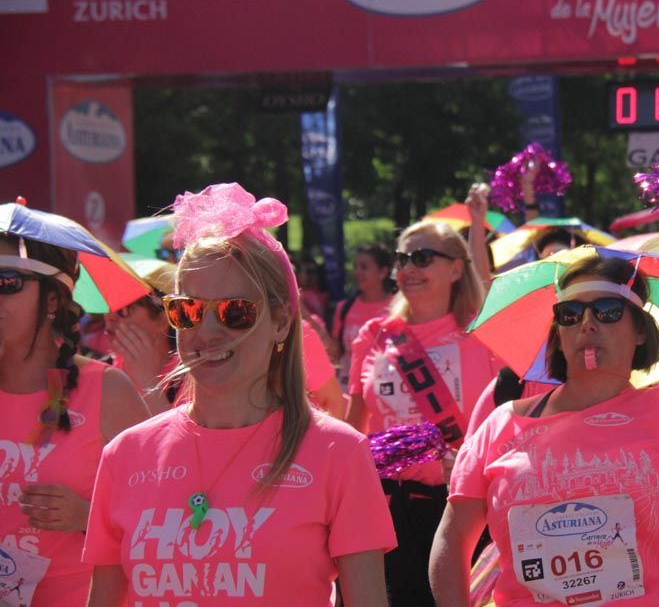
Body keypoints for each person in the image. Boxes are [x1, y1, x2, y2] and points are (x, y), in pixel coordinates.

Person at [429, 218, 659, 607]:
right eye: (570, 313)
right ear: (558, 333)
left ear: (640, 331)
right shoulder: (501, 425)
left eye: (607, 310)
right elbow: (452, 538)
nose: (587, 323)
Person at [82, 183, 395, 606]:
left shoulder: (339, 453)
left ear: (282, 322)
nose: (207, 332)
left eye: (235, 312)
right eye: (187, 309)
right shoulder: (125, 455)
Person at [346, 220, 501, 607]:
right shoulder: (374, 335)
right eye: (402, 259)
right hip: (385, 509)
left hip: (457, 512)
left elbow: (506, 429)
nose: (408, 269)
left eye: (422, 258)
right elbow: (352, 429)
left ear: (455, 268)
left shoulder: (482, 338)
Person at [0, 227, 149, 606]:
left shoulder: (109, 392)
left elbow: (162, 523)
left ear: (53, 299)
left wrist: (87, 517)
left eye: (7, 282)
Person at [104, 261, 181, 414]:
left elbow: (179, 437)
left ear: (162, 319)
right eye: (108, 306)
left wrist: (148, 380)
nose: (109, 317)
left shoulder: (190, 377)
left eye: (123, 310)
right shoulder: (103, 373)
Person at [331, 244, 395, 393]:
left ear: (383, 272)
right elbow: (336, 351)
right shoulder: (344, 308)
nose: (357, 272)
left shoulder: (397, 308)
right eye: (356, 267)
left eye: (364, 267)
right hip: (348, 389)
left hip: (385, 389)